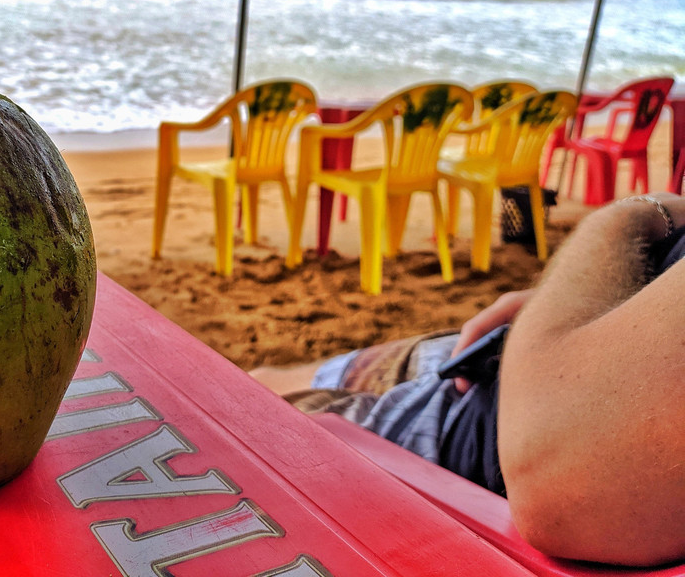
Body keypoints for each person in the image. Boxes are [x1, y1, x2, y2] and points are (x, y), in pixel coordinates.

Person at [252, 193, 685, 567]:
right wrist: (568, 298)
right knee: (263, 378)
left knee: (235, 415)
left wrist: (631, 216)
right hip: (507, 347)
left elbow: (554, 485)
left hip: (460, 430)